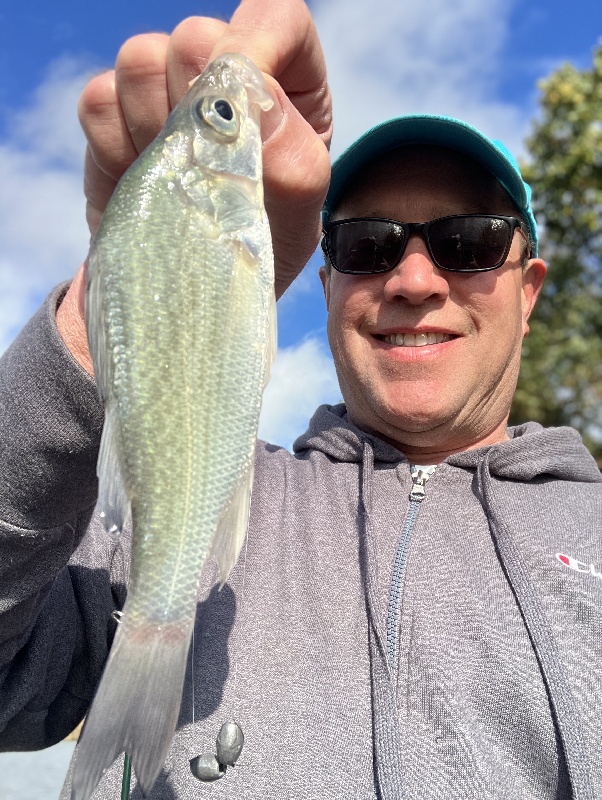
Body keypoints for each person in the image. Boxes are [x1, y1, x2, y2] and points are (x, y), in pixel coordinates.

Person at [0, 2, 601, 799]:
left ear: (529, 292)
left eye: (469, 242)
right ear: (322, 289)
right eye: (367, 246)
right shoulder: (169, 511)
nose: (414, 281)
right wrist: (117, 304)